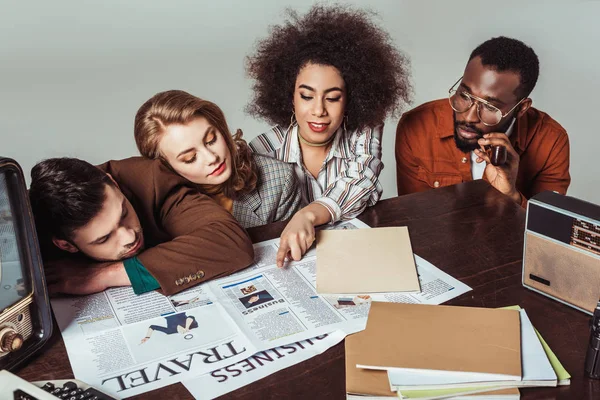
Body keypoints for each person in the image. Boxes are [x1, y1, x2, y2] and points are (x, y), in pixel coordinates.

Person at [246, 5, 411, 266]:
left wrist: (309, 215)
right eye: (307, 96)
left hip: (357, 262)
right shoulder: (262, 151)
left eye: (333, 98)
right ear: (289, 96)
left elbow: (362, 177)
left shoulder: (363, 133)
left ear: (351, 100)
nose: (319, 110)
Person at [28, 157, 254, 296]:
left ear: (114, 183)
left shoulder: (152, 179)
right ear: (66, 245)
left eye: (124, 213)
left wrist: (105, 275)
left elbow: (230, 242)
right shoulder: (24, 234)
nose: (128, 237)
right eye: (104, 238)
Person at [395, 36, 570, 207]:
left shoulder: (551, 141)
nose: (469, 117)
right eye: (464, 95)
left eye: (490, 107)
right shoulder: (418, 127)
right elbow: (413, 218)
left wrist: (511, 196)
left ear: (521, 107)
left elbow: (546, 232)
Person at [134, 90, 302, 229]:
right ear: (165, 168)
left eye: (211, 140)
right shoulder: (152, 209)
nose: (212, 158)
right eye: (190, 158)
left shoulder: (279, 179)